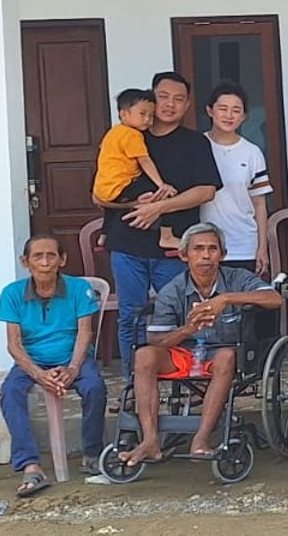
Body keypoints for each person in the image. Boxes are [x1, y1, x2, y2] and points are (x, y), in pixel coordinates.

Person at [97, 71, 222, 392]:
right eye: (163, 97)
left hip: (175, 248)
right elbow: (98, 193)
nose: (169, 104)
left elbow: (206, 190)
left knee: (184, 315)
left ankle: (187, 389)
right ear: (151, 99)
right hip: (127, 243)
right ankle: (133, 387)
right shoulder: (126, 134)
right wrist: (128, 207)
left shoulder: (195, 143)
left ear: (187, 104)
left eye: (178, 99)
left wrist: (159, 208)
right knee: (132, 316)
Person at [120, 224, 282, 467]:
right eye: (198, 249)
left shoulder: (236, 278)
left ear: (223, 254)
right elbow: (156, 340)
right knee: (144, 356)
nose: (206, 255)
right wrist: (188, 328)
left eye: (212, 249)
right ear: (184, 255)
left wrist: (225, 299)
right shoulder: (172, 290)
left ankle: (202, 438)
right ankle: (150, 440)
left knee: (226, 356)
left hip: (225, 354)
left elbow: (275, 299)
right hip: (186, 353)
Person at [0, 235, 105, 497]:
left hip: (72, 355)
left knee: (94, 387)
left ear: (62, 260)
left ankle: (92, 453)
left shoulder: (78, 288)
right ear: (26, 262)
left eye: (51, 256)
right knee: (10, 392)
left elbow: (84, 333)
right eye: (37, 256)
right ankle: (30, 465)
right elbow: (14, 345)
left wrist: (73, 368)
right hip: (32, 359)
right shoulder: (12, 293)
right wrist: (38, 374)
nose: (45, 262)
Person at [198, 83, 274, 273]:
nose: (229, 115)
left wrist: (261, 247)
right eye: (223, 109)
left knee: (243, 300)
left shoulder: (251, 152)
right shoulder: (196, 146)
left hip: (243, 244)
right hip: (204, 244)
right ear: (210, 110)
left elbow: (259, 204)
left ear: (244, 116)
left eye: (236, 110)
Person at [93, 88, 170, 223]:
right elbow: (145, 161)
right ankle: (166, 233)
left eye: (151, 115)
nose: (148, 119)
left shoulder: (113, 131)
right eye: (142, 114)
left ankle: (104, 235)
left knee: (111, 209)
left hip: (103, 189)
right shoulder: (133, 135)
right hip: (121, 186)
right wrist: (161, 184)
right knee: (159, 193)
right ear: (124, 115)